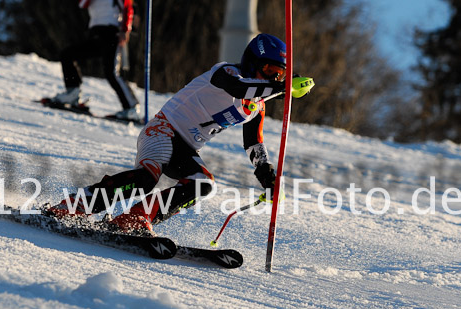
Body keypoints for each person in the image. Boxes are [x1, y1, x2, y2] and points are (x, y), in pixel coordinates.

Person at [46, 33, 314, 236]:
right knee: (145, 179)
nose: (275, 79)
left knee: (203, 183)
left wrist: (264, 170)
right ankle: (74, 205)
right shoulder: (226, 72)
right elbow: (237, 87)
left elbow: (253, 141)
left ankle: (135, 218)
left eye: (280, 75)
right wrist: (283, 89)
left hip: (186, 147)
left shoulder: (257, 104)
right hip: (163, 130)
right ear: (253, 61)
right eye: (270, 71)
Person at [50, 0, 141, 122]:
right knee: (67, 55)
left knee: (112, 73)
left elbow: (128, 7)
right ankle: (72, 92)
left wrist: (125, 30)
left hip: (112, 33)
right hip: (96, 33)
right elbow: (82, 4)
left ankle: (131, 108)